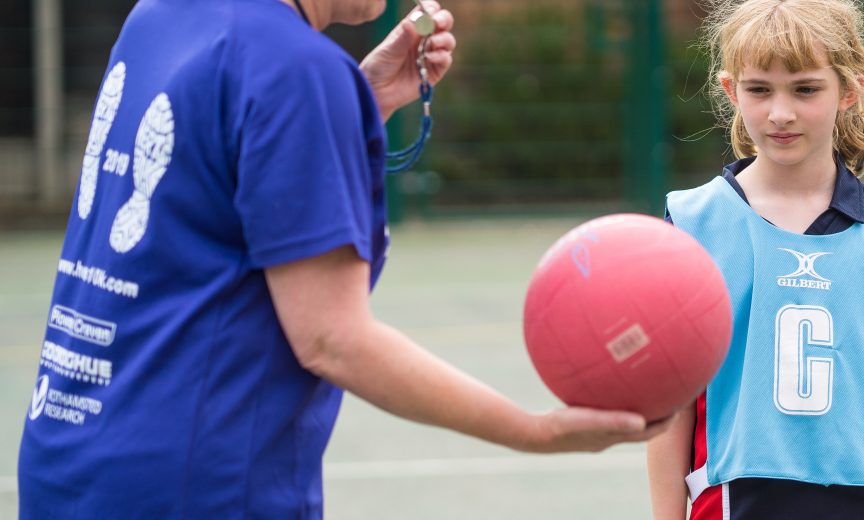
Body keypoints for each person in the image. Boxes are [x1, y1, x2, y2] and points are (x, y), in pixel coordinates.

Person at [18, 1, 662, 517]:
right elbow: (332, 340)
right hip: (195, 482)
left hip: (70, 458)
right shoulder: (294, 71)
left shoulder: (160, 16)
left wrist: (356, 102)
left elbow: (215, 178)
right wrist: (534, 430)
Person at [647, 0, 864, 518]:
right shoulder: (693, 225)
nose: (781, 112)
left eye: (805, 89)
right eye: (759, 90)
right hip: (735, 499)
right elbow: (669, 406)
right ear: (731, 90)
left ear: (850, 89)